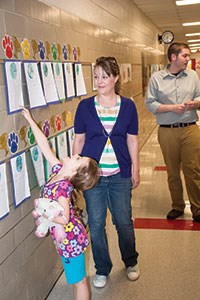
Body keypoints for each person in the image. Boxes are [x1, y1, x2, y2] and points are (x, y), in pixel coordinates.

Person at [73, 56, 140, 288]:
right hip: (94, 178)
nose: (99, 81)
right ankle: (102, 268)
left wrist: (135, 168)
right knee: (97, 222)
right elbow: (79, 140)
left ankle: (131, 261)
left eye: (105, 76)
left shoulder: (129, 106)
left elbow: (132, 140)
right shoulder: (84, 107)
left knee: (123, 221)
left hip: (120, 174)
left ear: (116, 78)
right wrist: (75, 169)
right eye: (97, 76)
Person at [21, 107, 99, 300]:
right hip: (66, 240)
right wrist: (30, 121)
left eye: (78, 159)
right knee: (75, 278)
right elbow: (44, 146)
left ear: (74, 173)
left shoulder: (63, 188)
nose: (75, 155)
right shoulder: (58, 170)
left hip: (70, 240)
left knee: (78, 280)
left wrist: (45, 213)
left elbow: (64, 219)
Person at [145, 42, 200, 222]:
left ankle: (197, 208)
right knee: (173, 172)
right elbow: (150, 103)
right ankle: (177, 206)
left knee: (193, 170)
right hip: (167, 132)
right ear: (173, 57)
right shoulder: (156, 78)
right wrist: (170, 108)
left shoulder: (192, 76)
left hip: (190, 128)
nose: (187, 59)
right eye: (184, 55)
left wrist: (196, 103)